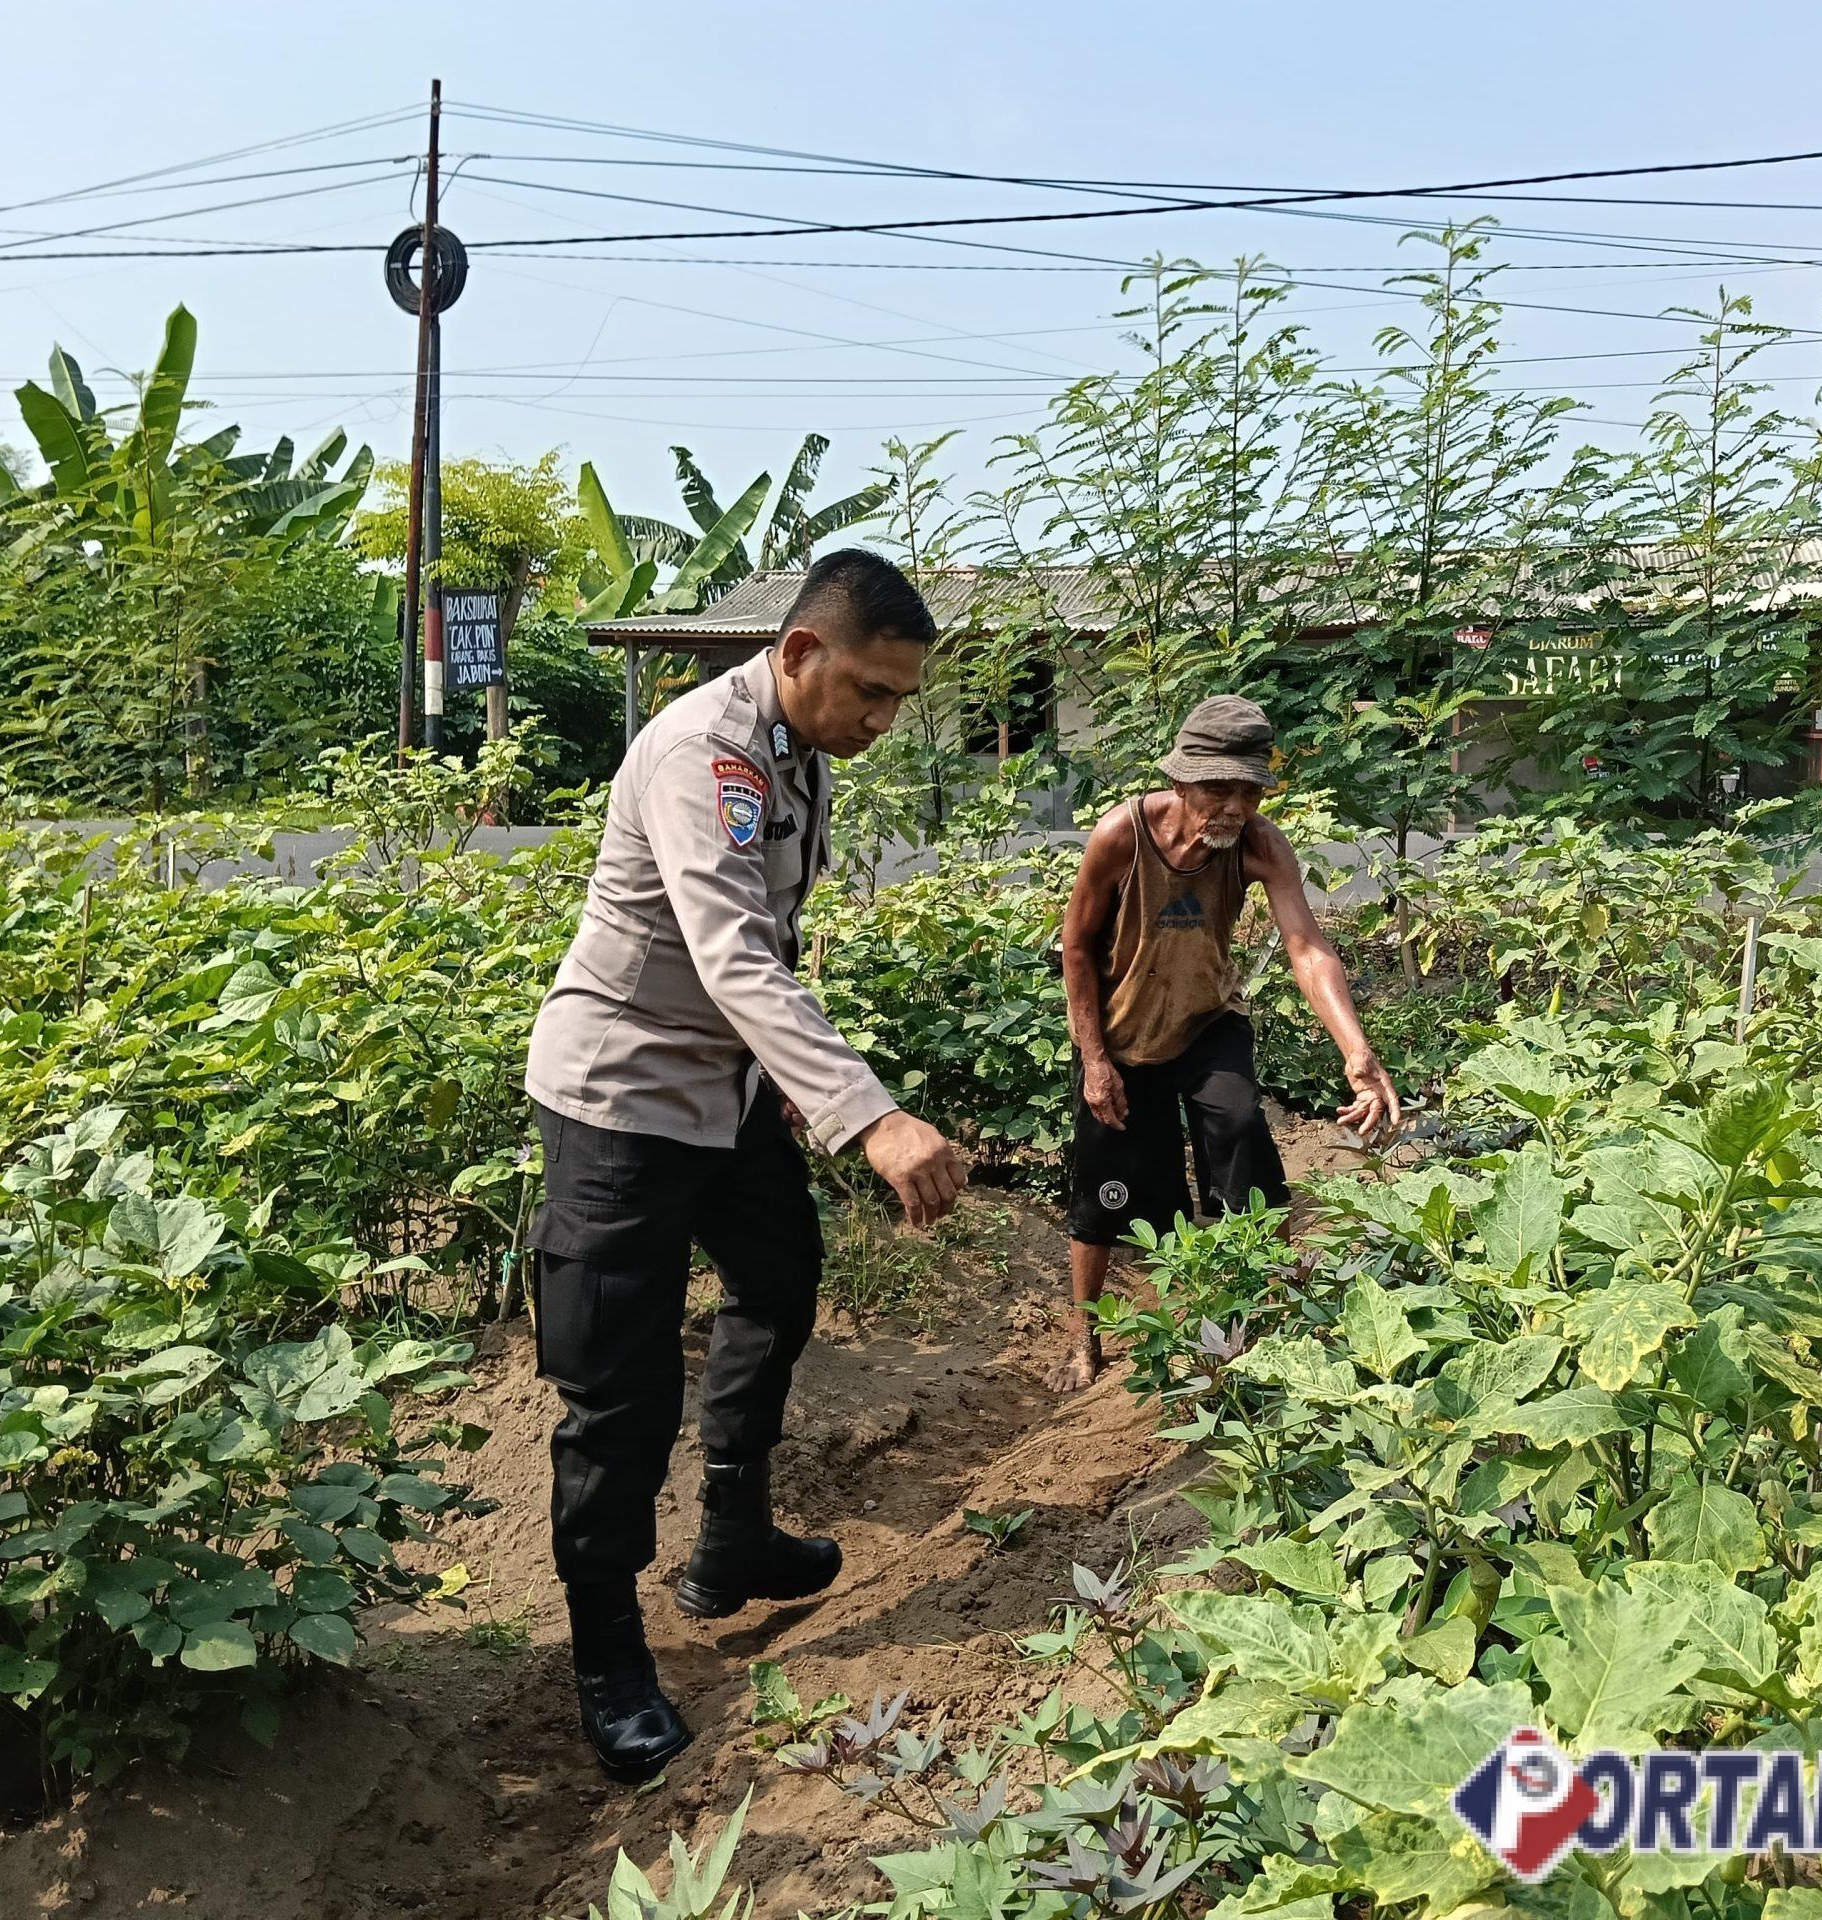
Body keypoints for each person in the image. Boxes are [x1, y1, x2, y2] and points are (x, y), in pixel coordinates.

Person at [523, 548, 967, 1783]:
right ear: (800, 652)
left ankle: (733, 1535)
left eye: (899, 700)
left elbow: (770, 937)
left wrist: (779, 1082)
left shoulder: (795, 749)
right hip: (621, 1098)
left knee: (777, 1276)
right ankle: (610, 1658)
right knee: (618, 1390)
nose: (882, 721)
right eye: (871, 692)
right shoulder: (699, 753)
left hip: (721, 1092)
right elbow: (731, 954)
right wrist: (868, 1116)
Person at [1052, 694, 1400, 1392]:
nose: (1235, 808)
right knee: (1104, 1195)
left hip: (1209, 1022)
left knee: (1244, 1136)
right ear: (1180, 781)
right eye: (1219, 789)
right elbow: (1078, 948)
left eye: (1250, 791)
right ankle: (1084, 1342)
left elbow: (1307, 946)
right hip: (1122, 1037)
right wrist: (1093, 1059)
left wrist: (1357, 1053)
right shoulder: (1122, 835)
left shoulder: (1260, 844)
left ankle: (1281, 1321)